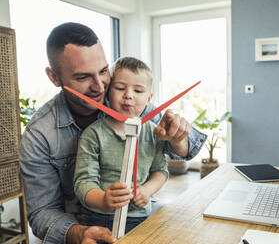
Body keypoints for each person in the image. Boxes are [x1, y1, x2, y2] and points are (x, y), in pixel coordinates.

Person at [19, 22, 206, 244]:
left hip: (140, 219)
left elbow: (186, 148)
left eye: (103, 71)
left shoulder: (129, 101)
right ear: (54, 77)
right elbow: (42, 213)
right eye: (82, 77)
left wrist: (178, 139)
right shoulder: (38, 135)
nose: (100, 87)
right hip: (84, 229)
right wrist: (79, 233)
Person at [74, 56, 168, 233]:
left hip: (138, 217)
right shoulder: (93, 134)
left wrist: (147, 190)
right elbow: (83, 182)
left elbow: (160, 171)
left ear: (149, 99)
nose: (128, 95)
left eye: (138, 91)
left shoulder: (152, 132)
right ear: (108, 91)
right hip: (97, 217)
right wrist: (103, 200)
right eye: (120, 88)